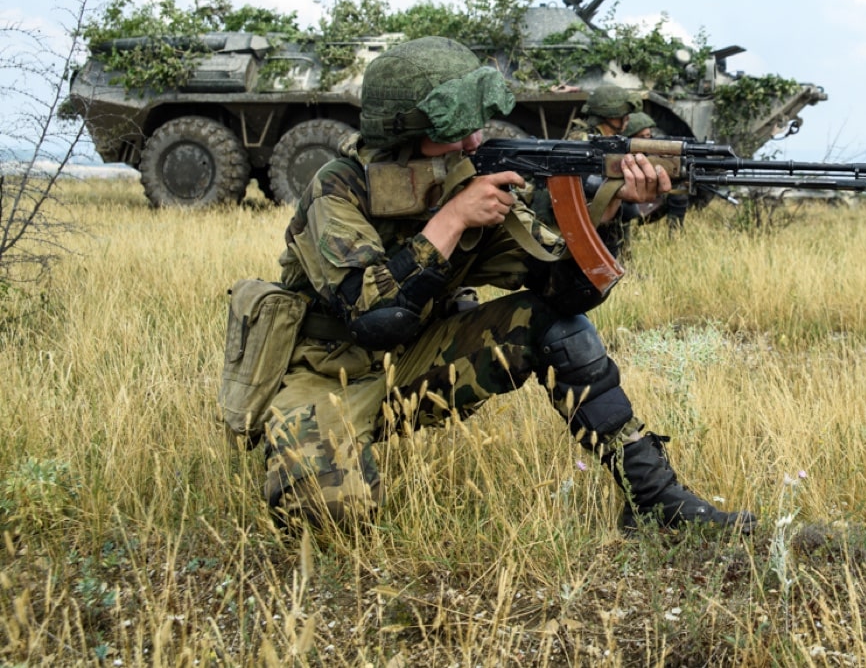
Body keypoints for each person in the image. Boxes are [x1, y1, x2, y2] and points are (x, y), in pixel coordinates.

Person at [258, 37, 753, 534]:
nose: (475, 144)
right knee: (328, 518)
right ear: (407, 134)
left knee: (554, 326)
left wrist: (604, 205)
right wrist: (452, 219)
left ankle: (654, 498)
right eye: (456, 132)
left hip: (416, 358)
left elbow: (564, 294)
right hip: (324, 372)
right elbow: (373, 317)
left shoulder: (472, 179)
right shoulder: (338, 186)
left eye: (476, 128)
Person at [564, 83, 635, 140]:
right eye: (623, 115)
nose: (627, 118)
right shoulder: (583, 139)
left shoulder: (608, 138)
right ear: (611, 116)